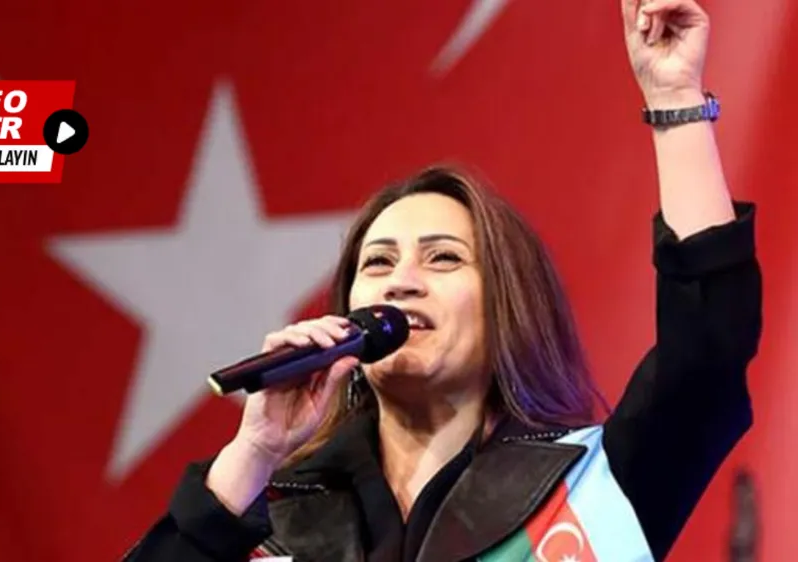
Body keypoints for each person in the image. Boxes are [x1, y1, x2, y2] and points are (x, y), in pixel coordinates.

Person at [124, 0, 762, 560]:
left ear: (509, 307)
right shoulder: (273, 522)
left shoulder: (596, 489)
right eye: (378, 263)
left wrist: (675, 98)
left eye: (443, 259)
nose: (400, 282)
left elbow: (706, 352)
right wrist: (254, 454)